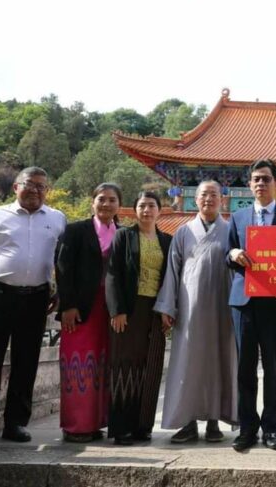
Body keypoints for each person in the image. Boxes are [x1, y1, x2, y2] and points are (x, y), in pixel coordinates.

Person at [0, 167, 67, 451]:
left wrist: (60, 290)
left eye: (41, 187)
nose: (35, 190)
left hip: (37, 298)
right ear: (15, 187)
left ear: (48, 190)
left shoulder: (57, 218)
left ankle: (15, 423)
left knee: (26, 362)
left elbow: (61, 258)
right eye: (29, 185)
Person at [227, 159, 276, 451]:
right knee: (245, 368)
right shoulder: (238, 217)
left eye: (266, 179)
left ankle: (271, 428)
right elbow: (227, 253)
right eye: (256, 179)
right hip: (243, 302)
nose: (261, 183)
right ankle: (247, 427)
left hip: (274, 303)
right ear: (249, 184)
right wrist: (233, 253)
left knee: (273, 367)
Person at [154, 181, 237, 443]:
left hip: (223, 309)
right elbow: (172, 271)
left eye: (214, 194)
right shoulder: (183, 232)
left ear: (222, 200)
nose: (208, 199)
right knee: (187, 364)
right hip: (190, 310)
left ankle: (214, 422)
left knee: (220, 362)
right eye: (204, 195)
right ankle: (187, 422)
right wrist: (168, 306)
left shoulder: (231, 230)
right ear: (195, 199)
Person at [56, 182, 122, 443]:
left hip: (111, 309)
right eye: (101, 199)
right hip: (82, 308)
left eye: (112, 200)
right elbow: (62, 267)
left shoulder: (124, 233)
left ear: (119, 205)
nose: (106, 204)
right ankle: (76, 426)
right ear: (92, 202)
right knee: (79, 365)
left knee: (103, 366)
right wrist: (68, 305)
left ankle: (97, 422)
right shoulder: (75, 231)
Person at [105, 191, 172, 445]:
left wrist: (169, 310)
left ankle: (143, 426)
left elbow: (172, 278)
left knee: (152, 366)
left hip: (156, 310)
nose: (146, 210)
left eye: (151, 206)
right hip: (129, 310)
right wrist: (117, 310)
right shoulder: (124, 235)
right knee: (125, 366)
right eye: (142, 206)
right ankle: (122, 427)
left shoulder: (167, 240)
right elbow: (113, 274)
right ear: (135, 210)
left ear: (159, 210)